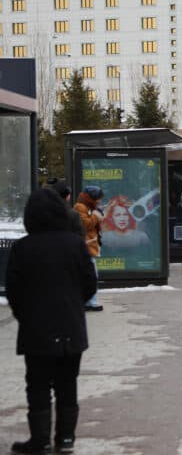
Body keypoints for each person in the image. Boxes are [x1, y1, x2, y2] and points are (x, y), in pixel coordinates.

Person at [5, 188, 97, 455]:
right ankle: (66, 439)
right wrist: (73, 305)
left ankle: (41, 440)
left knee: (38, 385)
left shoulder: (23, 247)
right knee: (68, 384)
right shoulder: (74, 244)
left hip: (36, 329)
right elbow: (89, 284)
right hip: (71, 327)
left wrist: (25, 315)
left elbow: (13, 289)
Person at [74, 186, 105, 312]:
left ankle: (88, 301)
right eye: (97, 198)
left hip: (89, 245)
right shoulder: (80, 207)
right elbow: (85, 225)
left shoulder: (87, 207)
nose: (99, 201)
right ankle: (91, 302)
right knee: (92, 275)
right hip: (86, 246)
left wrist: (98, 214)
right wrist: (97, 215)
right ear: (91, 197)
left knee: (89, 275)